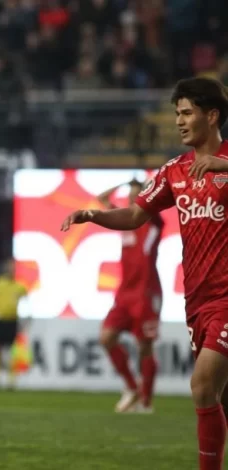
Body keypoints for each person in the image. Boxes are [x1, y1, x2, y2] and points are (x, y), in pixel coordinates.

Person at [61, 77, 228, 470]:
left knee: (202, 385)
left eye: (186, 113)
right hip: (197, 300)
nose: (179, 121)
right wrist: (94, 214)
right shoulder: (175, 171)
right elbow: (136, 214)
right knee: (219, 397)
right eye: (176, 114)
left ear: (212, 116)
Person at [96, 180, 162, 414]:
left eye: (137, 196)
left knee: (145, 347)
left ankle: (146, 402)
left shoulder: (152, 219)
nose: (132, 200)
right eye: (130, 197)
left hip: (147, 291)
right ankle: (133, 388)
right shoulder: (124, 219)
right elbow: (102, 198)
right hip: (125, 292)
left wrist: (146, 189)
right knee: (107, 337)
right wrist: (124, 183)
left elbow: (155, 203)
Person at [0, 258, 27, 390]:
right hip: (0, 320)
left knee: (12, 352)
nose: (11, 270)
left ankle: (11, 381)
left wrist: (25, 320)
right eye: (9, 267)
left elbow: (26, 303)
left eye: (13, 268)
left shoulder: (20, 286)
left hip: (13, 320)